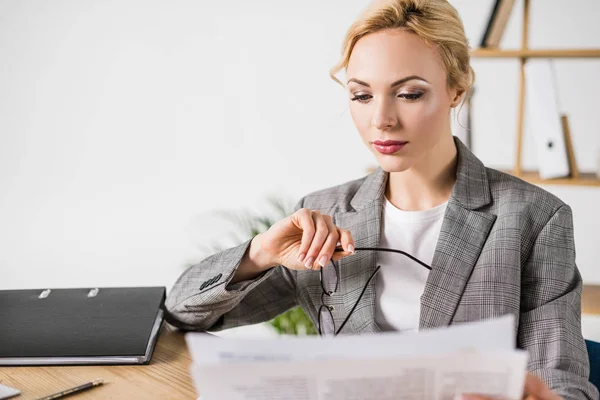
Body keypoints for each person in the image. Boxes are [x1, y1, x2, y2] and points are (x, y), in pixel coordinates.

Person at [165, 0, 597, 398]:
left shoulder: (532, 218)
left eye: (409, 93)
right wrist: (259, 254)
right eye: (362, 95)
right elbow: (181, 314)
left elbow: (562, 380)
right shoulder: (325, 212)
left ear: (457, 89)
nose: (382, 120)